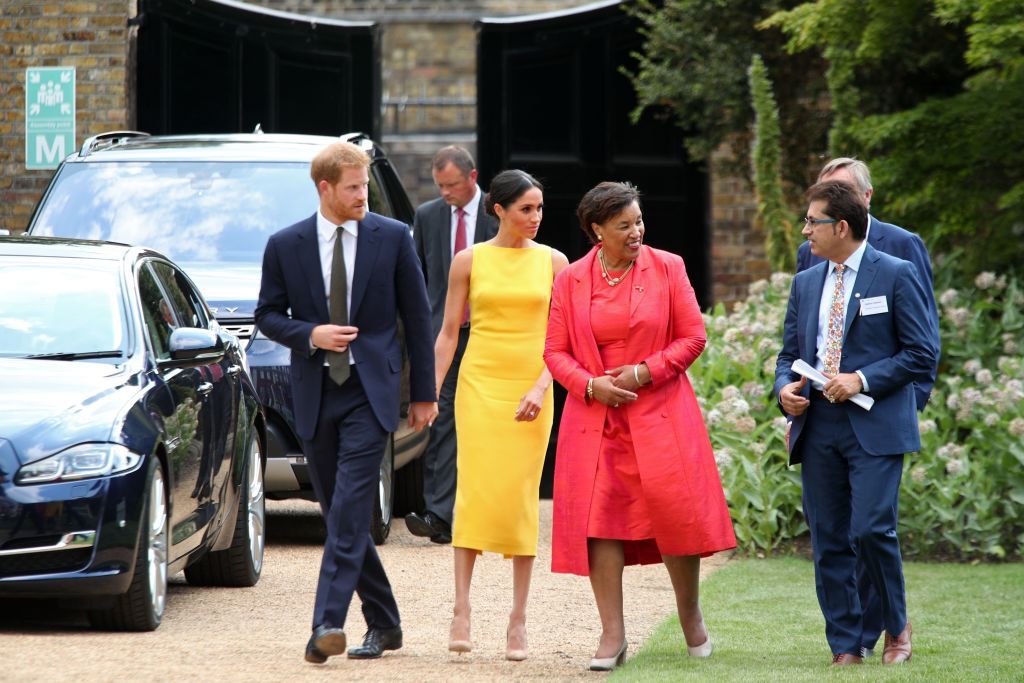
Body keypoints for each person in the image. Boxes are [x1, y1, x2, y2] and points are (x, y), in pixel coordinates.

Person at [255, 141, 438, 664]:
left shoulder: (393, 236)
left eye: (365, 186)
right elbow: (268, 315)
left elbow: (418, 319)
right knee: (343, 513)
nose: (364, 195)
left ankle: (326, 623)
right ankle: (385, 622)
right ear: (325, 188)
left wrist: (423, 394)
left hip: (371, 394)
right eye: (354, 187)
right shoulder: (285, 244)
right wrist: (311, 333)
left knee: (350, 507)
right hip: (315, 394)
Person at [544, 181, 736, 672]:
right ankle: (612, 634)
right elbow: (554, 351)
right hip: (595, 420)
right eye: (624, 225)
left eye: (639, 221)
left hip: (660, 413)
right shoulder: (570, 279)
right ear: (596, 231)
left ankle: (690, 617)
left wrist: (643, 372)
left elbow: (694, 337)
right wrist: (590, 386)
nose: (636, 232)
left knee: (674, 514)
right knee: (599, 523)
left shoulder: (668, 267)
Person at [774, 180, 937, 666]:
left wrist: (861, 378)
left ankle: (896, 628)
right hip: (819, 424)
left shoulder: (897, 273)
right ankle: (845, 644)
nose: (805, 231)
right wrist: (785, 390)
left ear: (841, 226)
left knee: (870, 529)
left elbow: (921, 353)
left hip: (876, 424)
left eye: (812, 222)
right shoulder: (806, 281)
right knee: (827, 538)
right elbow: (789, 355)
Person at [433, 169, 568, 661]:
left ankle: (518, 620)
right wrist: (428, 393)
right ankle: (461, 611)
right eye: (525, 209)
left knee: (520, 497)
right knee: (473, 491)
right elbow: (449, 332)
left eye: (538, 209)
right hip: (479, 386)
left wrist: (541, 385)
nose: (535, 217)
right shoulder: (468, 260)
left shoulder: (555, 261)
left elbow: (565, 340)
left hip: (534, 385)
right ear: (499, 210)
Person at [406, 146, 498, 545]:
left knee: (486, 421)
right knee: (439, 419)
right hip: (441, 336)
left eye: (452, 185)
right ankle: (439, 516)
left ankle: (490, 514)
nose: (445, 192)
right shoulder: (427, 216)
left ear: (472, 177)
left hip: (488, 335)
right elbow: (418, 277)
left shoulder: (501, 212)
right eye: (440, 185)